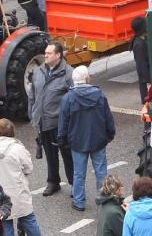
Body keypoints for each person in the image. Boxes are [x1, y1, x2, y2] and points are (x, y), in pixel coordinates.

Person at [59, 66, 116, 212]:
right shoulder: (100, 95)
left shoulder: (68, 98)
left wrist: (62, 139)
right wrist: (110, 133)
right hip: (98, 139)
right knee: (101, 171)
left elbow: (63, 122)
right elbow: (107, 117)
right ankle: (103, 200)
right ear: (87, 78)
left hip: (77, 141)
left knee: (79, 173)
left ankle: (79, 202)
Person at [29, 41, 75, 197]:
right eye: (45, 53)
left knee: (67, 155)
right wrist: (33, 115)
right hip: (43, 122)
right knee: (50, 154)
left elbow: (75, 100)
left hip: (60, 124)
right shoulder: (38, 71)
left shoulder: (69, 73)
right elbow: (32, 96)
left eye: (49, 53)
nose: (45, 55)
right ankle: (53, 182)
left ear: (58, 55)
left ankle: (74, 184)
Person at [0, 119, 40, 236]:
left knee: (6, 226)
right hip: (19, 193)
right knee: (29, 220)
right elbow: (28, 168)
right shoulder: (18, 148)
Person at [131, 17, 151, 102]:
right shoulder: (139, 44)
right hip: (146, 83)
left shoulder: (141, 40)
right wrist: (148, 82)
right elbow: (141, 65)